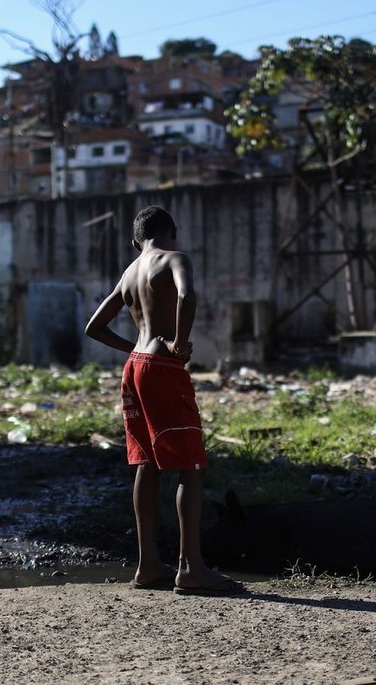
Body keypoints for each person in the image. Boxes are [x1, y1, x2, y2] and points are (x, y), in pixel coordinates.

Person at [85, 205, 242, 596]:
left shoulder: (130, 271)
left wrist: (132, 349)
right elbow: (188, 295)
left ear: (136, 240)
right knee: (191, 465)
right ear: (172, 231)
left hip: (135, 367)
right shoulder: (175, 258)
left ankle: (148, 564)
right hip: (162, 367)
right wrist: (179, 344)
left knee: (148, 462)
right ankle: (191, 568)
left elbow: (94, 327)